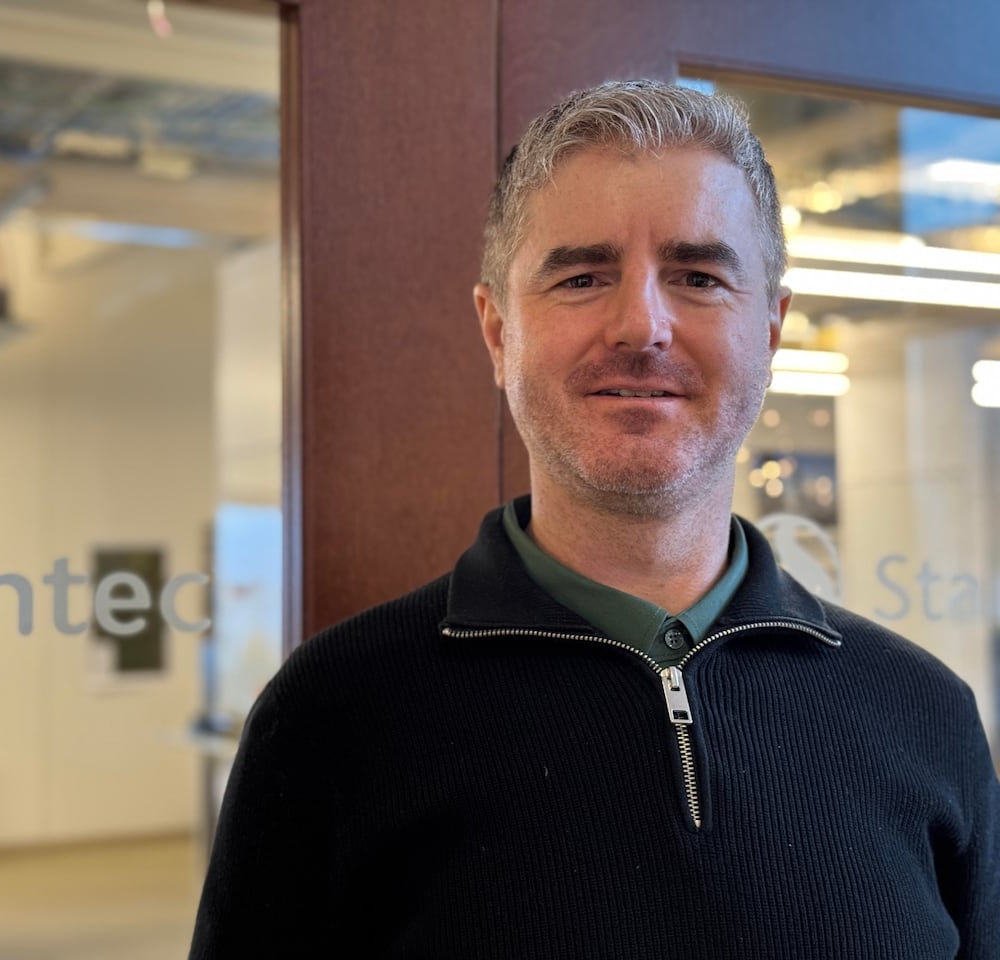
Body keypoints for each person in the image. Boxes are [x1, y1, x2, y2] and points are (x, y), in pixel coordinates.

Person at [188, 79, 1000, 959]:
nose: (641, 325)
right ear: (498, 334)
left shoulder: (925, 714)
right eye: (582, 275)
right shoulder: (332, 718)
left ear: (770, 330)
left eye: (697, 275)